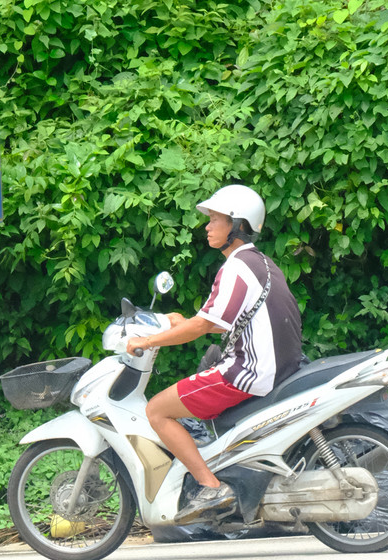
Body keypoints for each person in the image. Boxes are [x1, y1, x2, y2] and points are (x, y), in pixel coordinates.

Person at [125, 183, 303, 524]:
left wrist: (148, 342)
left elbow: (202, 327)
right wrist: (180, 321)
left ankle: (211, 487)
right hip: (276, 366)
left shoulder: (236, 267)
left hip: (249, 371)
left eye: (215, 219)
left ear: (237, 225)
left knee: (157, 410)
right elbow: (219, 322)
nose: (207, 226)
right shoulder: (258, 263)